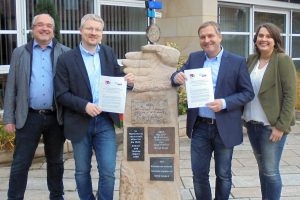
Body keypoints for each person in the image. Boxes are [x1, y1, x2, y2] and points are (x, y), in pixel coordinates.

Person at [54, 14, 134, 200]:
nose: (93, 33)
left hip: (105, 121)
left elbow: (116, 77)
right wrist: (85, 106)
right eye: (89, 29)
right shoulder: (66, 59)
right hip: (79, 122)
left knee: (107, 171)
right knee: (82, 171)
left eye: (97, 30)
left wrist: (127, 82)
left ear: (102, 34)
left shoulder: (108, 53)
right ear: (81, 31)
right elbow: (61, 93)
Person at [171, 21, 254, 200]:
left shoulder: (237, 61)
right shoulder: (194, 58)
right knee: (199, 174)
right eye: (203, 37)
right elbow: (177, 75)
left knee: (223, 174)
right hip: (200, 126)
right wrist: (176, 76)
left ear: (219, 37)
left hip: (225, 127)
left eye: (211, 36)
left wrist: (224, 102)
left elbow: (248, 93)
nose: (207, 40)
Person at [3, 14, 70, 200]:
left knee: (56, 162)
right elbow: (11, 87)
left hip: (55, 117)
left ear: (53, 29)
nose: (44, 28)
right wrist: (8, 118)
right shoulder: (20, 53)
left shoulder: (65, 52)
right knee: (20, 163)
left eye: (49, 25)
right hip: (28, 116)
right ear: (33, 29)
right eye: (40, 25)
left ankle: (57, 196)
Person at [243, 23, 297, 200]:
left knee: (271, 172)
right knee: (263, 170)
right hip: (252, 125)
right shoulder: (251, 60)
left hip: (271, 127)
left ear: (275, 41)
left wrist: (280, 127)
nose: (263, 39)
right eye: (260, 36)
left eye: (268, 36)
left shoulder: (282, 60)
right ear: (255, 39)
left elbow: (290, 95)